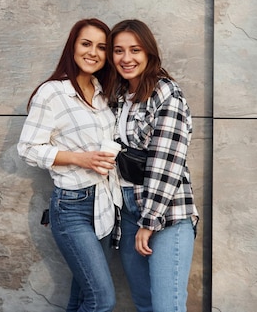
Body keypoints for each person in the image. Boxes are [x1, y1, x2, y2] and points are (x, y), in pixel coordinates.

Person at [17, 18, 122, 312]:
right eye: (86, 44)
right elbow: (27, 148)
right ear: (73, 47)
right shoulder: (53, 93)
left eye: (102, 47)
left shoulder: (105, 93)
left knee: (83, 298)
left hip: (104, 205)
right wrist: (80, 158)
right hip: (72, 206)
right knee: (102, 300)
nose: (93, 52)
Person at [105, 19, 199, 312]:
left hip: (166, 212)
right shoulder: (118, 96)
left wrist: (149, 220)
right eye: (118, 51)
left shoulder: (166, 93)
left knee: (166, 306)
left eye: (135, 50)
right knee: (144, 303)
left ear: (148, 53)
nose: (126, 58)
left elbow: (167, 161)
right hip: (127, 211)